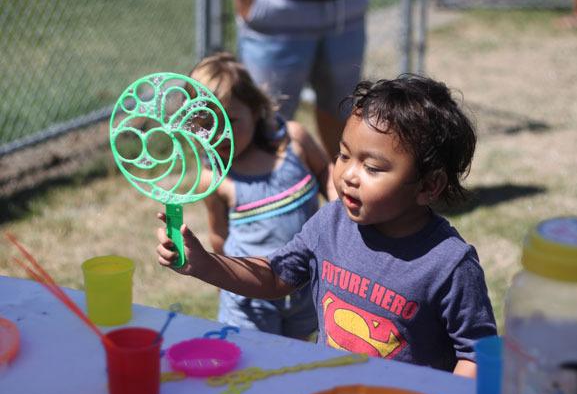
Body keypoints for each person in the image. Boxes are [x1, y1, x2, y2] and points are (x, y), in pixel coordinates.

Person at [157, 74, 497, 377]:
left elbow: (476, 355)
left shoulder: (449, 264)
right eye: (344, 155)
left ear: (428, 186)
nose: (348, 175)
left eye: (373, 167)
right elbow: (275, 276)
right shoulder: (331, 223)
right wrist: (204, 263)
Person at [188, 52, 336, 339]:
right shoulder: (216, 179)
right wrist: (225, 280)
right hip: (251, 296)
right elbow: (219, 234)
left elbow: (325, 173)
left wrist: (341, 210)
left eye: (230, 120)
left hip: (305, 281)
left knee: (299, 358)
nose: (220, 134)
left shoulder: (294, 141)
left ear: (255, 110)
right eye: (207, 124)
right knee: (254, 359)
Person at [233, 0, 368, 157]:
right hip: (276, 17)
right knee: (265, 125)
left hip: (347, 14)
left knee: (342, 114)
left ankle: (333, 178)